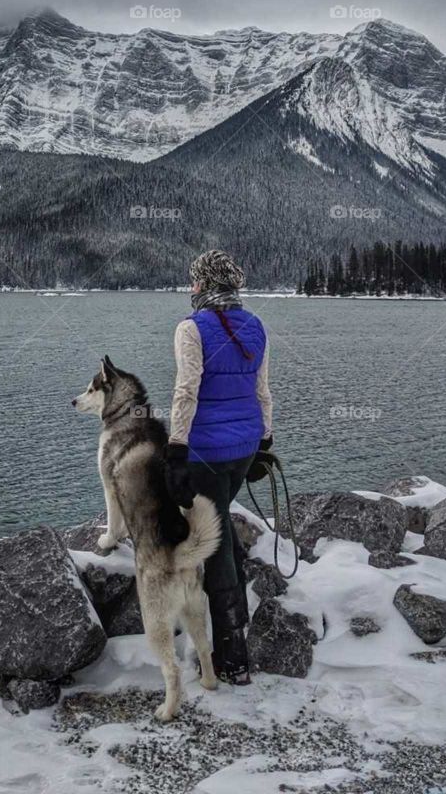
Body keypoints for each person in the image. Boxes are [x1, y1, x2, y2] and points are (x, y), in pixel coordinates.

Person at [164, 249, 273, 685]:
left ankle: (233, 656)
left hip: (206, 449)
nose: (190, 288)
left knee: (218, 535)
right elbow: (263, 390)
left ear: (204, 285)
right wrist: (264, 441)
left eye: (194, 281)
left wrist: (175, 450)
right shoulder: (257, 326)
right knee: (221, 522)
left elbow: (185, 392)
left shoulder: (191, 328)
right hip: (244, 444)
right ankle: (233, 636)